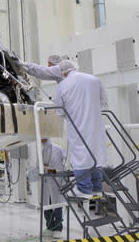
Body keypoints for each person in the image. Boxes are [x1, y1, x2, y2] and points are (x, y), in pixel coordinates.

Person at [54, 60, 108, 199]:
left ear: (63, 72)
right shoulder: (94, 79)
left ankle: (84, 189)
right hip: (95, 124)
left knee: (80, 155)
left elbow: (59, 111)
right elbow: (103, 100)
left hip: (77, 125)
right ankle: (97, 187)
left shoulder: (62, 85)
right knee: (95, 153)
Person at [40, 138, 65, 239]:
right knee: (46, 204)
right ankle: (50, 227)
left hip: (56, 182)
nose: (42, 139)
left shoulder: (57, 149)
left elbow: (59, 169)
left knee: (57, 205)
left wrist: (48, 170)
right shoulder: (41, 150)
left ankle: (58, 228)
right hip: (45, 182)